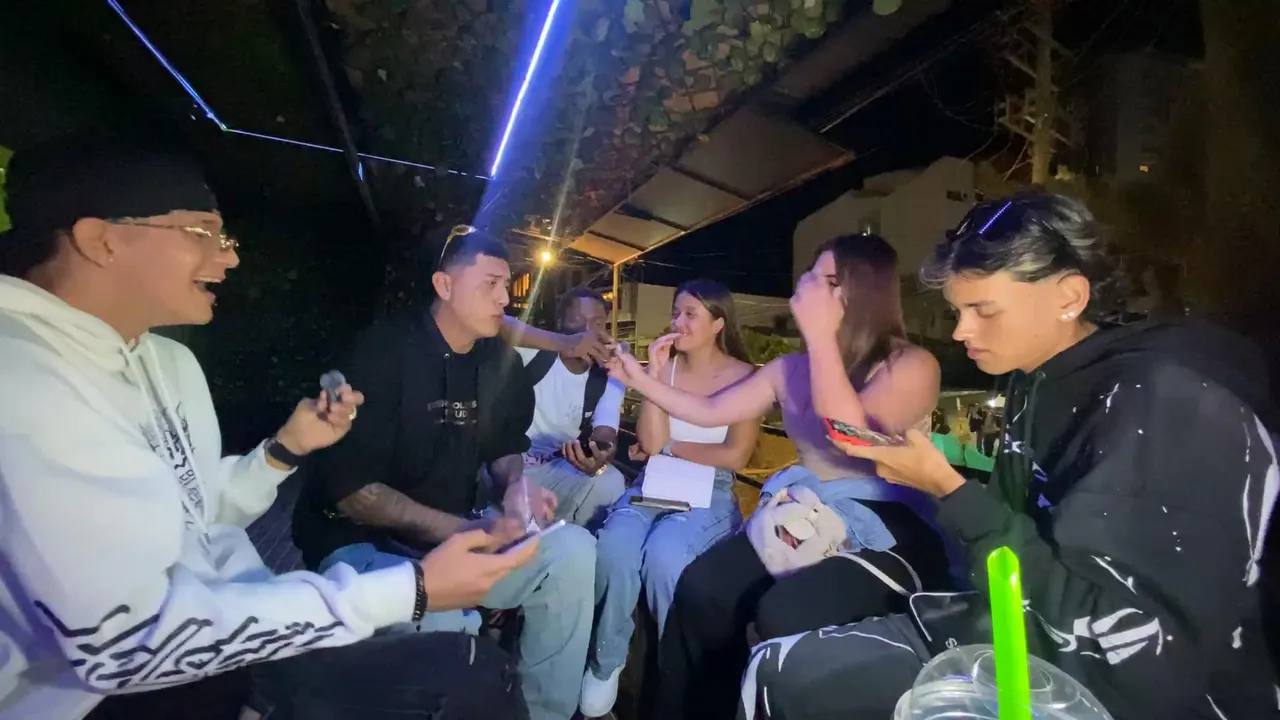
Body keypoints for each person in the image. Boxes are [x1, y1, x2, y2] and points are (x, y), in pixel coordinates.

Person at [0, 139, 534, 720]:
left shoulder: (167, 360)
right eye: (202, 233)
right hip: (110, 695)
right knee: (467, 680)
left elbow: (195, 514)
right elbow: (122, 645)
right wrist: (413, 587)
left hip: (237, 627)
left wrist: (284, 449)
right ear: (100, 240)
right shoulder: (23, 376)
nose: (229, 259)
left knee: (485, 669)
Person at [741, 193, 1280, 720]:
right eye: (958, 310)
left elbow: (1131, 655)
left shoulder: (1165, 404)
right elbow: (1011, 531)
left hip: (1116, 685)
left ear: (1069, 296)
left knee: (788, 672)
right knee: (780, 667)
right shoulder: (1033, 378)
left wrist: (947, 488)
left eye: (983, 309)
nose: (961, 331)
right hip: (1016, 622)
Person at [605, 235, 950, 719]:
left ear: (863, 291)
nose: (807, 286)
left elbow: (849, 436)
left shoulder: (910, 364)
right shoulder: (789, 368)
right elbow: (709, 410)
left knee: (783, 614)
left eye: (827, 280)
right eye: (811, 275)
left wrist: (822, 339)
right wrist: (641, 377)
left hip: (880, 520)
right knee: (701, 589)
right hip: (801, 507)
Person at [290, 225, 596, 720]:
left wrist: (516, 488)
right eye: (491, 284)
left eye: (507, 285)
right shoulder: (380, 353)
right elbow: (354, 493)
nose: (505, 298)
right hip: (359, 542)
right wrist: (465, 531)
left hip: (457, 535)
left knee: (573, 552)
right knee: (449, 632)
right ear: (444, 285)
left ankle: (546, 713)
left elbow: (504, 446)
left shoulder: (497, 360)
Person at [580, 279, 761, 718]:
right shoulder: (667, 368)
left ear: (718, 323)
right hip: (656, 479)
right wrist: (655, 378)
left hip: (711, 486)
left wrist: (673, 448)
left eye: (690, 314)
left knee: (666, 556)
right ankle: (608, 658)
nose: (678, 322)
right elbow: (650, 441)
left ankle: (674, 672)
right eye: (676, 312)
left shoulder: (747, 377)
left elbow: (735, 455)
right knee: (615, 545)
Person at [515, 287, 627, 529]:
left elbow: (606, 429)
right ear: (560, 324)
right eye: (577, 320)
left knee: (611, 481)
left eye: (597, 323)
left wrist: (600, 455)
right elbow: (496, 327)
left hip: (557, 467)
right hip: (509, 468)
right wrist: (563, 344)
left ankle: (576, 537)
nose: (588, 331)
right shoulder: (534, 354)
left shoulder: (609, 373)